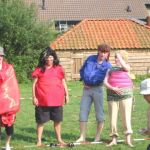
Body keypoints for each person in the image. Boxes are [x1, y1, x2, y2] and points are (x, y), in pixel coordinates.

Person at [32, 47, 69, 147]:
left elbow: (63, 81)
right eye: (47, 58)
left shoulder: (59, 69)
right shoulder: (39, 69)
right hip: (42, 100)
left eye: (51, 58)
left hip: (57, 100)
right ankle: (39, 140)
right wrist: (34, 97)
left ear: (54, 58)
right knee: (40, 122)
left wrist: (67, 94)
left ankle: (59, 139)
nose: (49, 60)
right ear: (44, 59)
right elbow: (34, 84)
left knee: (57, 121)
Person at [76, 44, 112, 142]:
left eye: (105, 52)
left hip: (98, 89)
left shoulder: (108, 66)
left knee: (99, 113)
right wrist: (83, 80)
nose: (102, 54)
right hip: (86, 90)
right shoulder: (90, 58)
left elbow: (110, 79)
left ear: (107, 54)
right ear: (98, 51)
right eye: (101, 51)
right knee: (83, 111)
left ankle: (97, 136)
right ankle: (82, 136)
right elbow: (82, 70)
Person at [104, 50, 134, 147]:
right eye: (115, 57)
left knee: (126, 117)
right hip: (112, 96)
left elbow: (125, 68)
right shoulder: (110, 69)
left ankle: (128, 139)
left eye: (118, 57)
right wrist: (112, 88)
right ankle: (114, 139)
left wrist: (120, 57)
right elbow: (105, 82)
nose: (116, 59)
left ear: (123, 58)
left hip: (126, 96)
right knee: (113, 118)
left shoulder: (127, 67)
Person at [0, 46, 20, 150]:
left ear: (3, 57)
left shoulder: (9, 68)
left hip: (7, 102)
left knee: (9, 125)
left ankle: (7, 144)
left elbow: (12, 84)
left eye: (1, 55)